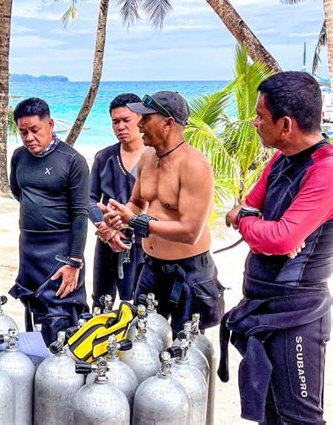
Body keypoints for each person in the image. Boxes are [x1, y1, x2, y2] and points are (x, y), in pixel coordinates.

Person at [221, 71, 332, 424]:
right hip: (262, 307)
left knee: (298, 417)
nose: (254, 122)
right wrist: (258, 224)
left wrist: (250, 223)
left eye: (260, 116)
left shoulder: (325, 170)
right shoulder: (281, 158)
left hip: (297, 314)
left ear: (285, 124)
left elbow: (280, 237)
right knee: (270, 413)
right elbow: (249, 206)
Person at [101, 90, 224, 335]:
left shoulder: (194, 165)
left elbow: (190, 232)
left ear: (168, 123)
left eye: (146, 118)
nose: (139, 123)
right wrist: (118, 218)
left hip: (189, 272)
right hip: (151, 268)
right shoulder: (148, 157)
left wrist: (136, 222)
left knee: (184, 349)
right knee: (140, 338)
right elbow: (137, 201)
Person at [8, 97, 89, 345]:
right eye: (23, 132)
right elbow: (18, 192)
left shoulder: (72, 160)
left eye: (35, 130)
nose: (29, 137)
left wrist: (74, 261)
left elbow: (80, 214)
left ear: (50, 124)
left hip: (61, 249)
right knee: (33, 304)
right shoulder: (19, 156)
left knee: (61, 312)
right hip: (29, 245)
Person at [89, 93, 146, 310]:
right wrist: (105, 228)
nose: (120, 126)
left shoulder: (155, 157)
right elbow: (89, 198)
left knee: (141, 307)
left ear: (140, 119)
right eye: (115, 122)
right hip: (106, 239)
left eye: (126, 120)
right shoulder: (104, 157)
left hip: (143, 242)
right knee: (101, 303)